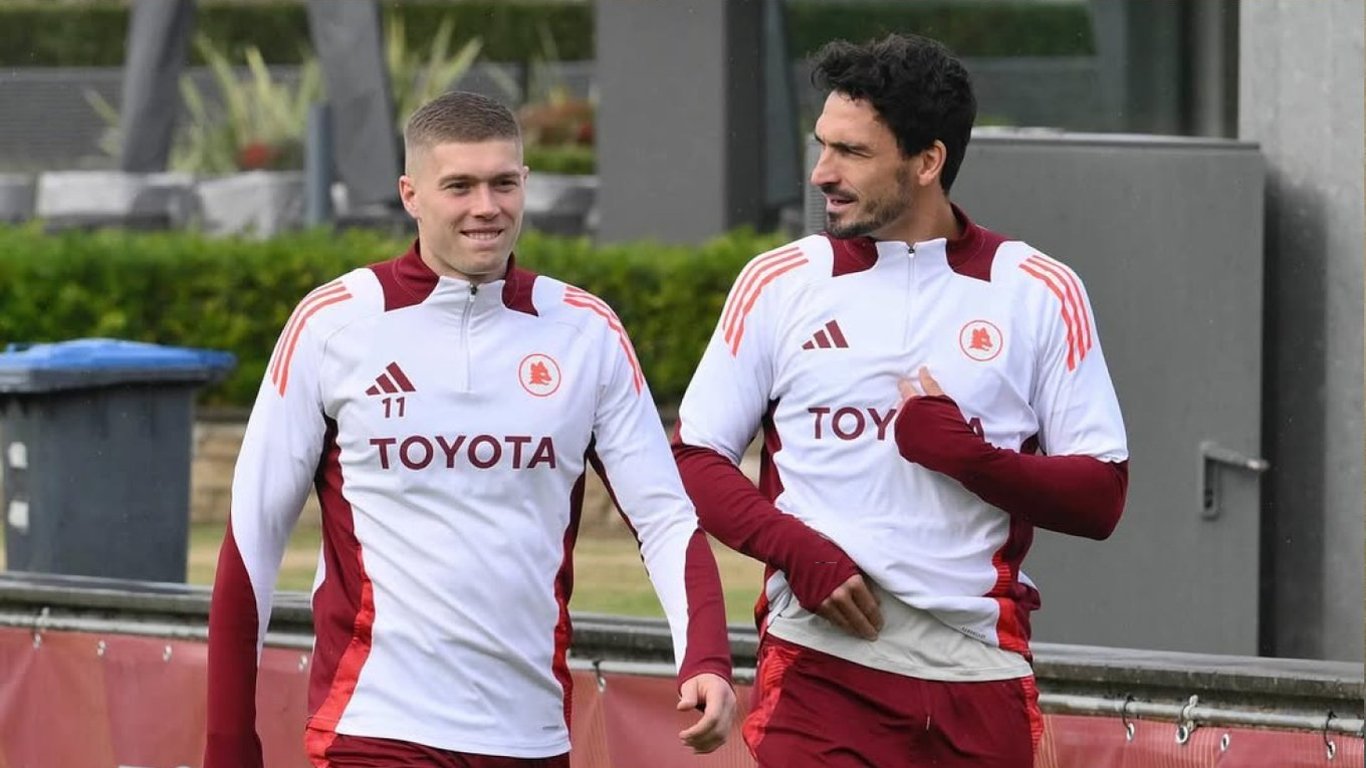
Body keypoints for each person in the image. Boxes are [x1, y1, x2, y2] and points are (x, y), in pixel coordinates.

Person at [204, 90, 736, 768]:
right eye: (459, 186)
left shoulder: (586, 330)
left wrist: (706, 657)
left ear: (526, 183)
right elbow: (253, 537)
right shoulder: (333, 323)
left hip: (530, 734)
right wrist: (228, 743)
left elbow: (664, 518)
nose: (486, 206)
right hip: (375, 725)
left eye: (503, 183)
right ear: (411, 194)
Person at [672, 34, 1128, 767]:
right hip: (821, 663)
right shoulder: (779, 280)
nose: (821, 172)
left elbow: (1101, 497)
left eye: (851, 152)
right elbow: (695, 459)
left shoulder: (1039, 288)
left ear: (927, 161)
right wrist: (799, 553)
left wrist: (967, 457)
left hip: (979, 671)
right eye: (822, 145)